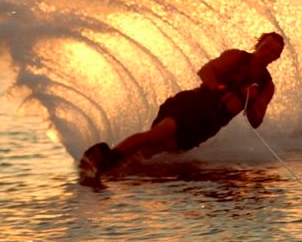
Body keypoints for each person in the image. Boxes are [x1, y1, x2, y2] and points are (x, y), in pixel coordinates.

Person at [78, 32, 285, 181]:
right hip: (192, 105)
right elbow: (205, 72)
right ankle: (110, 156)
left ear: (276, 58)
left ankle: (112, 171)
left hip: (209, 125)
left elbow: (255, 122)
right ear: (258, 45)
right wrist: (223, 91)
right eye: (266, 46)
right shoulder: (236, 57)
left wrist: (252, 103)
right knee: (160, 133)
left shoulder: (267, 86)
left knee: (156, 149)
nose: (267, 53)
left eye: (273, 52)